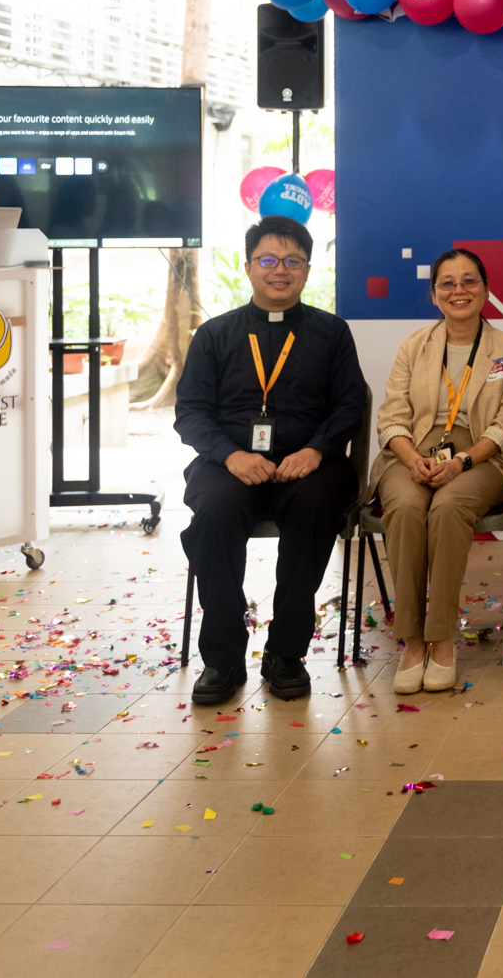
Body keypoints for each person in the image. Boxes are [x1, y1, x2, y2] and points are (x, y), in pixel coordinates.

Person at [176, 216, 368, 706]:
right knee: (214, 511)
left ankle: (286, 653)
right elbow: (191, 414)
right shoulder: (214, 335)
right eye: (268, 260)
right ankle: (222, 657)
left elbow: (350, 405)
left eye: (292, 261)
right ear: (248, 268)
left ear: (306, 269)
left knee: (313, 506)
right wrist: (231, 455)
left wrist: (316, 449)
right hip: (230, 463)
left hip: (310, 465)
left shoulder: (331, 332)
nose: (279, 271)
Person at [367, 249, 503, 695]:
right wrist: (409, 458)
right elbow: (392, 416)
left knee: (448, 506)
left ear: (486, 288)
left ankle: (441, 637)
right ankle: (413, 639)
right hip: (413, 450)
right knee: (402, 506)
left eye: (469, 281)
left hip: (481, 456)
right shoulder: (413, 345)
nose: (459, 290)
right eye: (448, 283)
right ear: (434, 293)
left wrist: (461, 461)